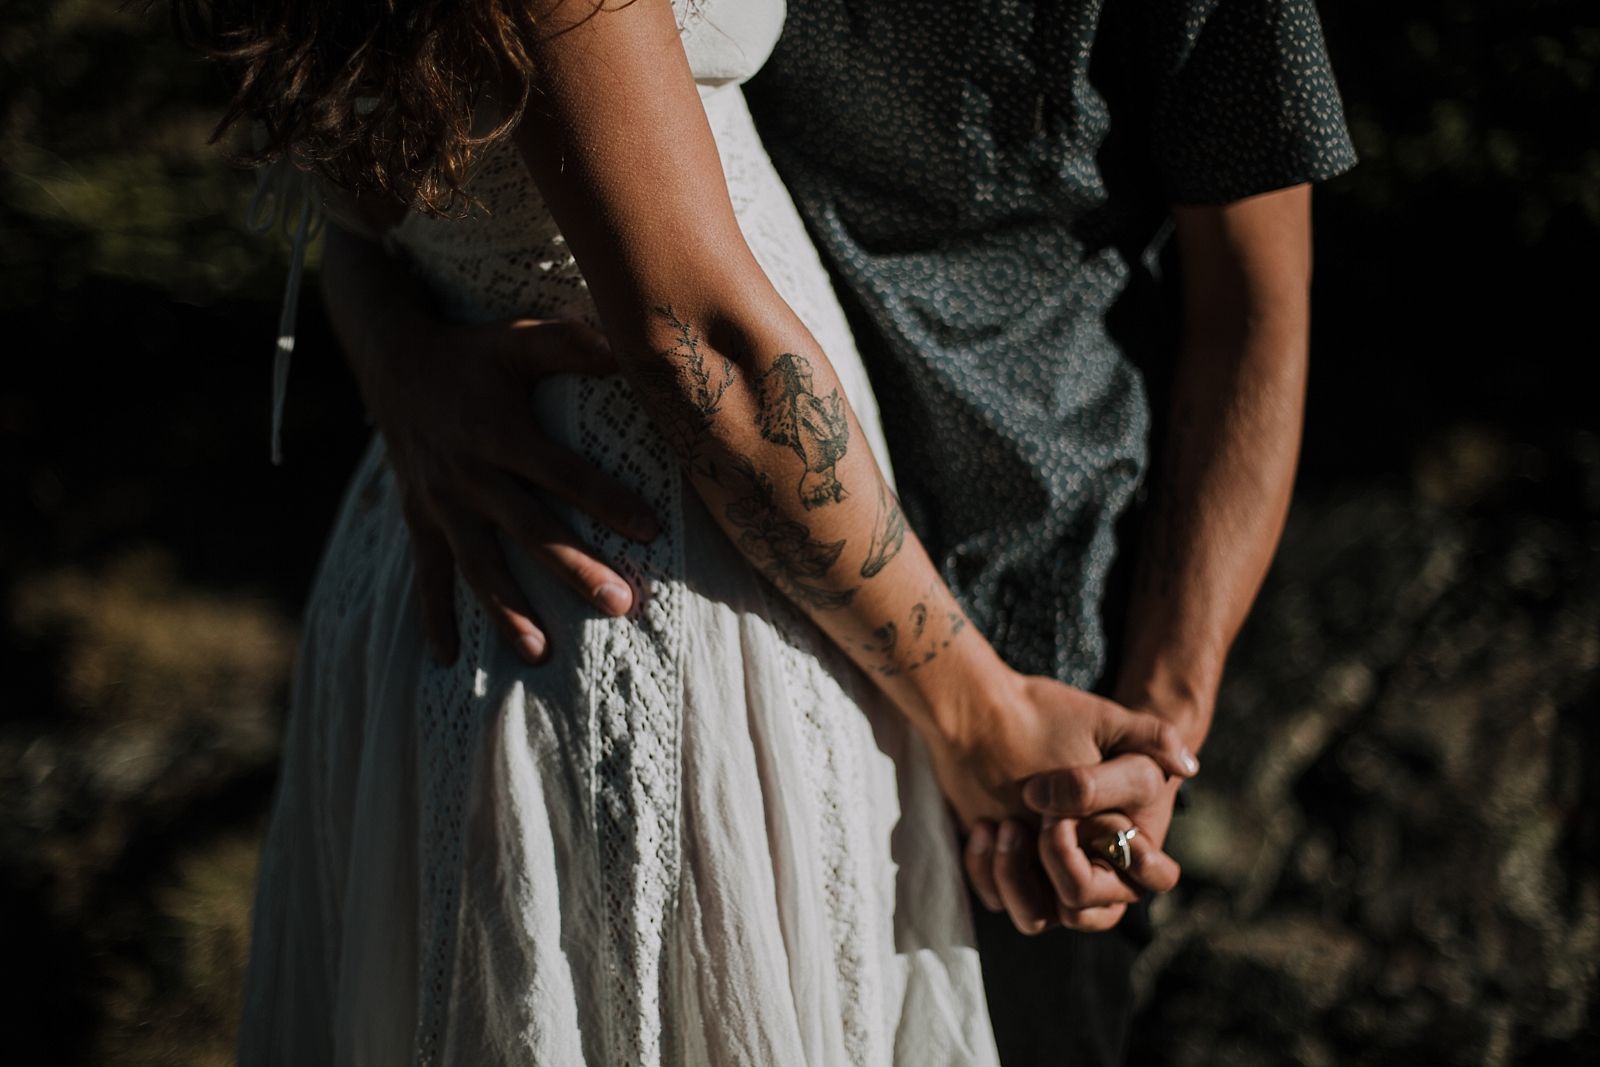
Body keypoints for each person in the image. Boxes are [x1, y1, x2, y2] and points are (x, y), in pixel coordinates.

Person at [315, 0, 1358, 1062]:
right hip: (723, 631)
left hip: (1034, 668)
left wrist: (1151, 733)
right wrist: (400, 358)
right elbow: (374, 148)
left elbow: (1253, 315)